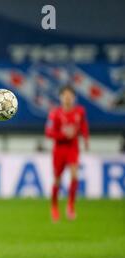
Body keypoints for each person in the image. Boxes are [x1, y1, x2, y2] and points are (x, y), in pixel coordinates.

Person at [45, 85, 90, 222]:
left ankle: (70, 206)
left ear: (74, 98)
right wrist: (63, 135)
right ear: (60, 97)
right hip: (59, 149)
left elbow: (83, 126)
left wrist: (86, 138)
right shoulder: (54, 113)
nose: (67, 98)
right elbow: (48, 132)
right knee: (57, 180)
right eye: (65, 96)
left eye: (70, 96)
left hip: (73, 147)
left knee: (74, 174)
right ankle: (54, 207)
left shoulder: (80, 111)